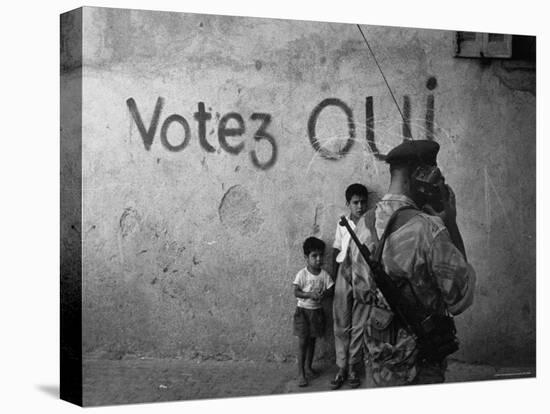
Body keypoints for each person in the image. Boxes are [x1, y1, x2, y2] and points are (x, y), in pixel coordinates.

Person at [350, 139, 476, 386]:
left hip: (379, 356)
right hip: (421, 364)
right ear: (419, 176)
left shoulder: (363, 225)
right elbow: (461, 297)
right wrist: (451, 222)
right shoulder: (429, 229)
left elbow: (361, 292)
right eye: (432, 176)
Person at [330, 184, 369, 390]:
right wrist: (334, 278)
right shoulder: (342, 223)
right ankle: (341, 367)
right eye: (356, 202)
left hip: (363, 273)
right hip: (343, 271)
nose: (360, 206)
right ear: (348, 204)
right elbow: (336, 248)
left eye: (363, 202)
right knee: (341, 322)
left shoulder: (371, 223)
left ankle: (354, 367)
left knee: (359, 322)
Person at [293, 237, 334, 387]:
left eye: (321, 255)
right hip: (303, 312)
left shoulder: (324, 275)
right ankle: (300, 373)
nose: (318, 259)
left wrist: (324, 294)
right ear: (306, 257)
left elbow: (331, 289)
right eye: (314, 256)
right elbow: (296, 292)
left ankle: (309, 367)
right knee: (303, 342)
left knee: (312, 341)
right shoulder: (302, 274)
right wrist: (309, 295)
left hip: (317, 313)